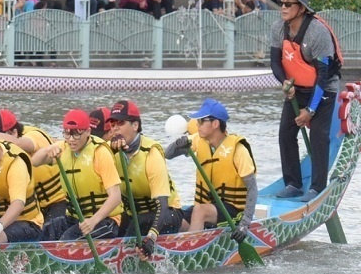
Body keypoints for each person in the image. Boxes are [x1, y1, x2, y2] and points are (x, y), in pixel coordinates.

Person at [270, 0, 343, 199]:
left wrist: (310, 111)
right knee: (285, 133)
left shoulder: (317, 33)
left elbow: (323, 74)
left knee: (318, 136)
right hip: (296, 88)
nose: (283, 8)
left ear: (301, 8)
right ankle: (293, 184)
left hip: (323, 88)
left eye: (288, 4)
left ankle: (317, 187)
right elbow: (275, 62)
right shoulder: (278, 28)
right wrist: (285, 83)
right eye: (281, 3)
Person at [165, 99, 256, 239]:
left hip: (233, 210)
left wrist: (245, 223)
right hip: (209, 205)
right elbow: (168, 154)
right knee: (172, 216)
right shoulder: (198, 140)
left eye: (201, 121)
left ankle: (191, 249)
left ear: (215, 124)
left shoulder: (238, 149)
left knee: (200, 211)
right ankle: (186, 240)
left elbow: (252, 188)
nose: (197, 125)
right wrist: (178, 144)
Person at [31, 108, 122, 241]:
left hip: (105, 221)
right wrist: (47, 150)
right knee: (46, 232)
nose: (71, 140)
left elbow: (115, 197)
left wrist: (93, 221)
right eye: (67, 134)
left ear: (88, 132)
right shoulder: (64, 147)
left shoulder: (100, 153)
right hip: (74, 218)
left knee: (67, 239)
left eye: (76, 134)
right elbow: (34, 161)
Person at [104, 99, 182, 249]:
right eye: (112, 124)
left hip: (166, 214)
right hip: (134, 214)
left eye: (120, 123)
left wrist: (151, 238)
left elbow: (163, 206)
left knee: (137, 224)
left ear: (135, 125)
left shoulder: (151, 153)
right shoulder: (107, 150)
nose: (115, 128)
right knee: (117, 233)